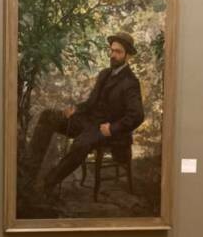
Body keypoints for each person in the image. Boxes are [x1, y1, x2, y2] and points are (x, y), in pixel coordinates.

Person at [25, 32, 144, 197]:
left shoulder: (130, 82)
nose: (113, 55)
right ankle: (28, 172)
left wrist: (112, 128)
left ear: (128, 55)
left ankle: (47, 184)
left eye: (118, 52)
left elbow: (137, 115)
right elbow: (91, 102)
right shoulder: (104, 74)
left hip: (106, 130)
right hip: (88, 121)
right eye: (112, 50)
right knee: (48, 116)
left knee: (80, 144)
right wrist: (76, 109)